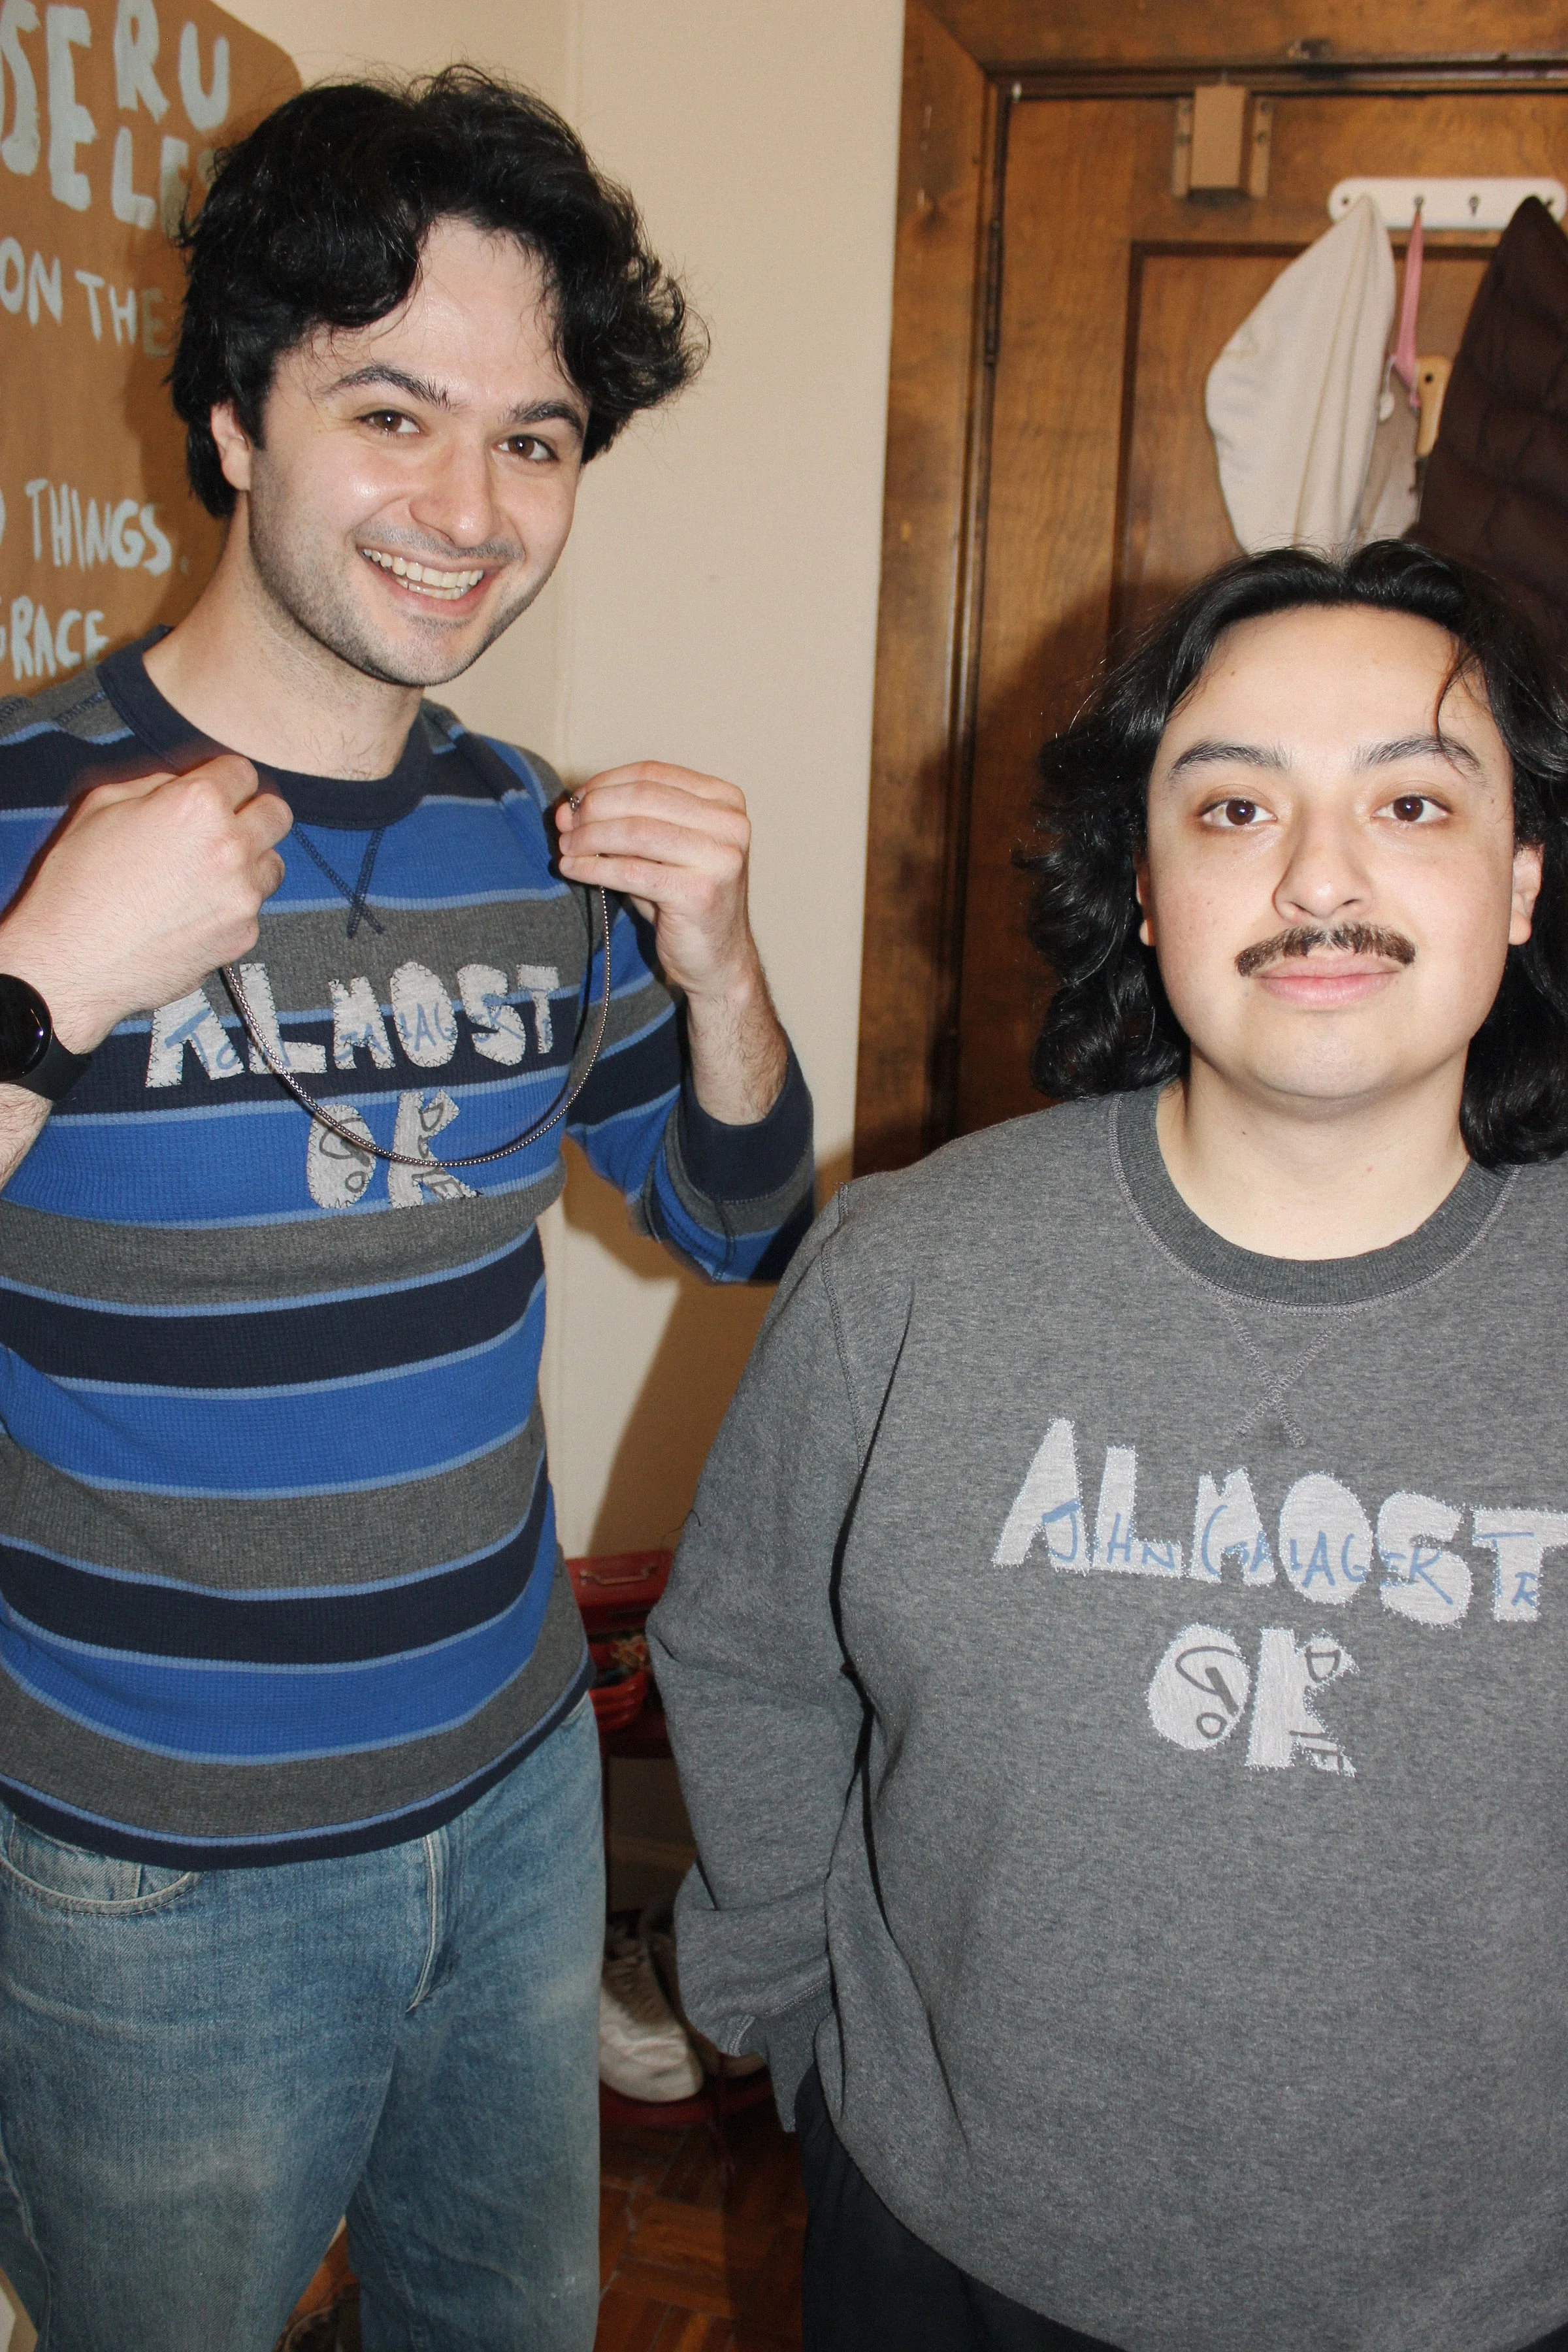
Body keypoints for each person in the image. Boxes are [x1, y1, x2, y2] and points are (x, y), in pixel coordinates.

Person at [0, 69, 812, 2352]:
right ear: (237, 421)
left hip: (522, 1789)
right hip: (152, 1871)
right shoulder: (17, 821)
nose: (470, 510)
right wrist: (52, 981)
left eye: (535, 438)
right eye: (392, 412)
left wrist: (723, 967)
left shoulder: (532, 837)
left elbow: (741, 1221)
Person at [650, 539, 1568, 2352]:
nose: (1320, 877)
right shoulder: (907, 1268)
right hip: (944, 2251)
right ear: (1144, 890)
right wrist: (788, 2025)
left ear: (1522, 880)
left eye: (1411, 800)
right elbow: (748, 1649)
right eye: (1233, 807)